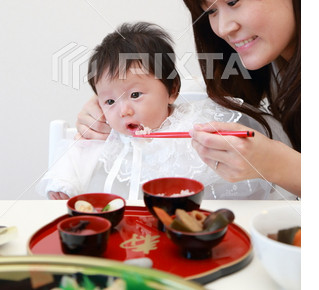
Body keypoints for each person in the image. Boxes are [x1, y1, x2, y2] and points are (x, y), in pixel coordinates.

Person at [39, 22, 274, 200]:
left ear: (172, 90)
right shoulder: (106, 133)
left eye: (135, 95)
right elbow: (77, 153)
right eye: (110, 101)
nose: (124, 111)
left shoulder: (194, 126)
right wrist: (63, 184)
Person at [178, 0, 301, 197]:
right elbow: (199, 91)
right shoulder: (274, 64)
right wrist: (123, 99)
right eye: (211, 12)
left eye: (233, 2)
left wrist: (276, 163)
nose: (222, 29)